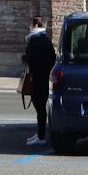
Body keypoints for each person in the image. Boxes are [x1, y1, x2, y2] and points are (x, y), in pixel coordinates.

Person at [21, 16, 57, 146]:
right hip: (41, 76)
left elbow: (33, 58)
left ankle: (41, 137)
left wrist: (24, 58)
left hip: (39, 77)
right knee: (40, 107)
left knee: (40, 107)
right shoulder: (43, 39)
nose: (29, 26)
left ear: (35, 25)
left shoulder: (36, 40)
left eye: (30, 24)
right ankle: (39, 134)